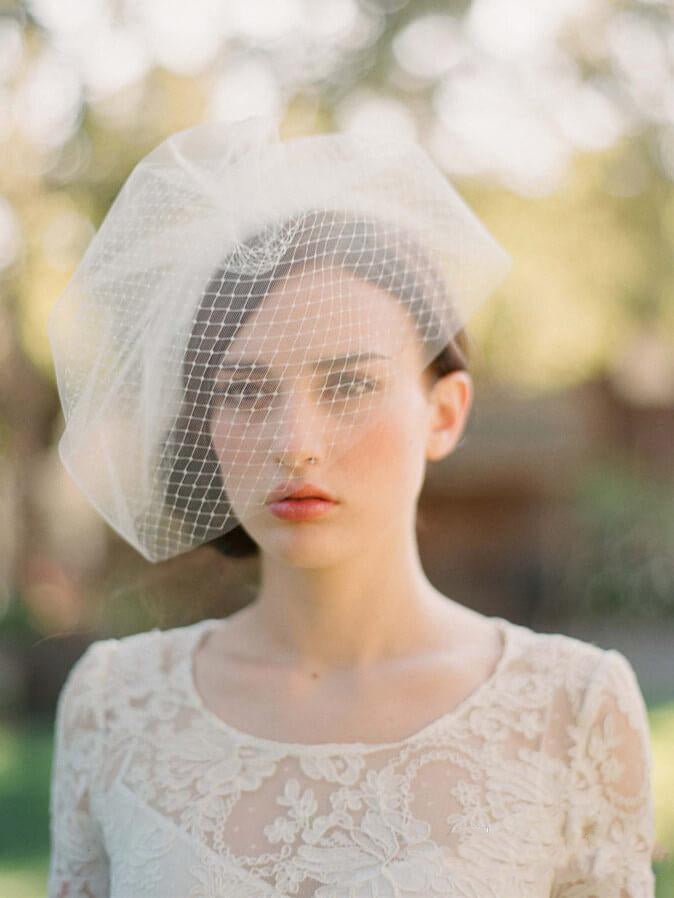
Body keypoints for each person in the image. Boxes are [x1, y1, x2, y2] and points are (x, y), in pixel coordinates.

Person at [46, 118, 656, 898]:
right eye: (244, 391)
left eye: (347, 383)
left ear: (444, 412)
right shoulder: (112, 708)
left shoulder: (573, 711)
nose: (294, 443)